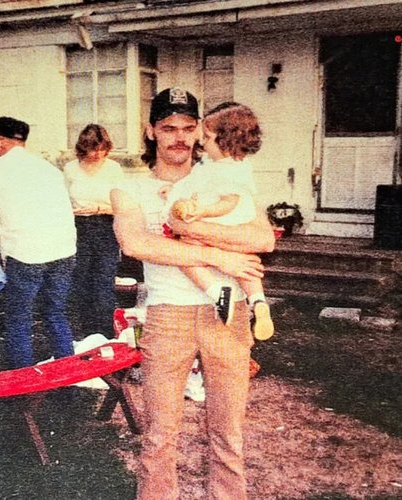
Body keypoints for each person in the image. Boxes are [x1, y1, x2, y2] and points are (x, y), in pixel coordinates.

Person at [110, 87, 275, 499]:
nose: (179, 137)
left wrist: (191, 232)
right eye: (169, 128)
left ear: (200, 129)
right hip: (168, 315)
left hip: (230, 314)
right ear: (151, 131)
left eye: (187, 127)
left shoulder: (222, 174)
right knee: (159, 434)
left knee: (228, 432)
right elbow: (136, 244)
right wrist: (222, 257)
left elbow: (262, 238)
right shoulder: (130, 189)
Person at [162, 101, 274, 340]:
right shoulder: (227, 165)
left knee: (184, 251)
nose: (202, 142)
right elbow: (195, 186)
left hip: (223, 219)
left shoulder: (228, 170)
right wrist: (174, 193)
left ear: (226, 141)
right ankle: (258, 301)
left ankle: (216, 291)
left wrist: (203, 212)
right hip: (234, 224)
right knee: (245, 262)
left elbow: (228, 202)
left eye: (208, 137)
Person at [0, 116, 77, 369]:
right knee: (55, 312)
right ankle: (68, 372)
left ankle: (23, 377)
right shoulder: (49, 170)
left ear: (0, 141)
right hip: (62, 249)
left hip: (24, 251)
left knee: (19, 317)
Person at [64, 124, 125, 339]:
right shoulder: (71, 169)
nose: (98, 154)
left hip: (105, 226)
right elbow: (63, 200)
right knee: (81, 281)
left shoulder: (113, 169)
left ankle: (106, 334)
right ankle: (88, 334)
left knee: (103, 282)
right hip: (79, 227)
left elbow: (123, 203)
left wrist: (99, 208)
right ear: (83, 147)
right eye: (93, 149)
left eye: (102, 149)